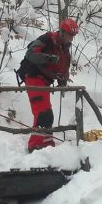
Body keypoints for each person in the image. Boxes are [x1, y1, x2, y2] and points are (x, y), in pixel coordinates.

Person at [17, 18, 77, 152]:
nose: (71, 38)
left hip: (45, 81)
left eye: (73, 36)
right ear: (62, 32)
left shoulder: (65, 50)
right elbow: (30, 54)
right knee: (43, 113)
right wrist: (49, 58)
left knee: (47, 113)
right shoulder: (46, 39)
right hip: (33, 76)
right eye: (69, 35)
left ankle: (47, 144)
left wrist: (62, 80)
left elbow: (64, 68)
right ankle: (36, 146)